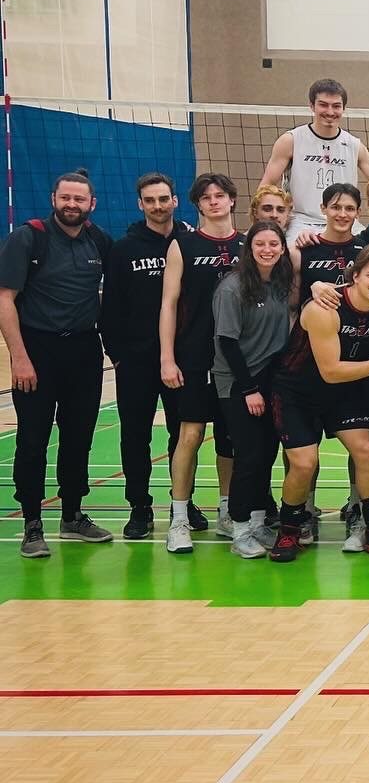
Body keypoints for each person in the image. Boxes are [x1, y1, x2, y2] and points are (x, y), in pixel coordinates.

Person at [270, 246, 369, 562]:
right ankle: (289, 531)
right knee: (305, 463)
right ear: (355, 275)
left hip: (342, 392)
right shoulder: (325, 308)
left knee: (365, 451)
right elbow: (331, 371)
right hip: (297, 392)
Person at [0, 169, 113, 556]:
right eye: (66, 198)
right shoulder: (28, 237)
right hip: (37, 351)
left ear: (91, 204)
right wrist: (19, 358)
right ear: (54, 199)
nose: (72, 205)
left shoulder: (98, 240)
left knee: (78, 435)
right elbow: (5, 300)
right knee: (33, 438)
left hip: (83, 350)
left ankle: (72, 515)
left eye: (80, 199)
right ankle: (32, 522)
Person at [159, 173, 244, 554]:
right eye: (206, 197)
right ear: (197, 205)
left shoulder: (248, 244)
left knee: (229, 441)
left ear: (231, 200)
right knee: (189, 435)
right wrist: (167, 357)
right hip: (194, 356)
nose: (214, 201)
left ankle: (227, 511)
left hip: (237, 360)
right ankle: (178, 519)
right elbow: (169, 304)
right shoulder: (184, 244)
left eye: (220, 195)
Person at [101, 172, 188, 540]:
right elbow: (109, 308)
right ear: (140, 204)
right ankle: (139, 505)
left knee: (182, 434)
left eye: (163, 199)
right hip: (136, 360)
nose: (157, 206)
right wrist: (118, 355)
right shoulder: (123, 249)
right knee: (135, 435)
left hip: (182, 359)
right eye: (150, 200)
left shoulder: (190, 241)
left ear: (175, 201)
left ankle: (182, 503)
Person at [211, 221, 293, 559]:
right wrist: (248, 389)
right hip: (239, 382)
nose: (268, 250)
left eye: (274, 244)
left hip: (270, 380)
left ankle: (258, 520)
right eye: (261, 244)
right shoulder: (232, 288)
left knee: (267, 455)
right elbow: (227, 344)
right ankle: (240, 527)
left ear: (282, 248)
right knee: (249, 456)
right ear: (250, 248)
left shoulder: (278, 283)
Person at [259, 80, 369, 236]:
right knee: (293, 254)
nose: (330, 112)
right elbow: (265, 187)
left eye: (336, 106)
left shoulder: (355, 145)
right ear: (311, 106)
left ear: (343, 109)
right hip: (301, 222)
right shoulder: (291, 140)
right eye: (323, 105)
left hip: (344, 220)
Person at [293, 183, 362, 293]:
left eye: (349, 208)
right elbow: (292, 303)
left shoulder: (366, 251)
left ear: (358, 212)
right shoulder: (302, 249)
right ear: (323, 208)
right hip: (312, 309)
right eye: (335, 207)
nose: (342, 214)